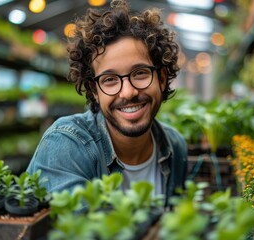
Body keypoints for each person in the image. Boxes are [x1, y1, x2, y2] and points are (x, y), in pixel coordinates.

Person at [26, 0, 187, 206]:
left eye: (140, 73)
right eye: (109, 80)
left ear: (162, 79)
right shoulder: (66, 145)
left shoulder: (174, 146)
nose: (128, 92)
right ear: (94, 91)